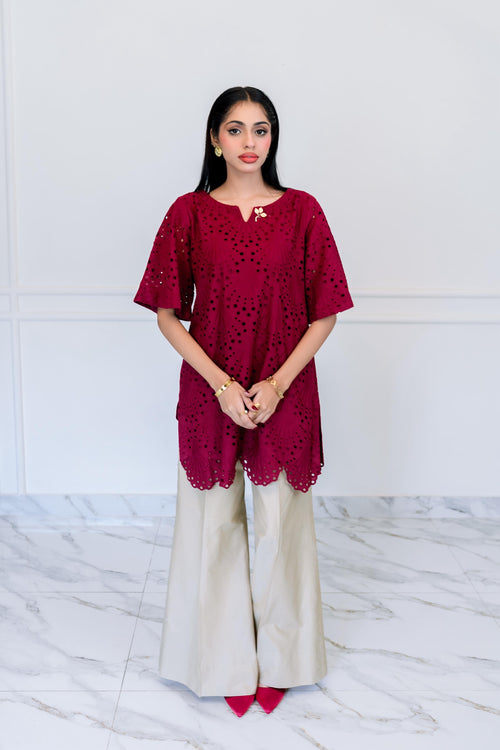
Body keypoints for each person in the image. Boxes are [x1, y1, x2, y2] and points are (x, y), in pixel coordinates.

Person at [134, 85, 353, 717]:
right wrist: (222, 385)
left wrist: (276, 384)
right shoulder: (188, 214)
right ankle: (221, 659)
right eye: (235, 129)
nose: (249, 142)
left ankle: (287, 661)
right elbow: (168, 314)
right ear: (214, 140)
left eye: (261, 129)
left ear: (273, 138)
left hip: (287, 387)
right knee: (212, 525)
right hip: (213, 391)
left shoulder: (303, 211)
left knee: (283, 525)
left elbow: (326, 312)